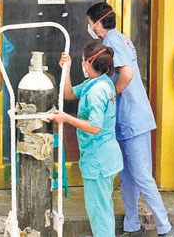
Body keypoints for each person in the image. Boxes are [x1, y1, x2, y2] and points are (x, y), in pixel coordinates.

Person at [85, 2, 174, 237]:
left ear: (98, 23)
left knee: (141, 176)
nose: (90, 28)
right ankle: (132, 225)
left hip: (133, 118)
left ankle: (166, 228)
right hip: (129, 118)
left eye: (90, 23)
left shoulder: (112, 42)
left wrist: (111, 94)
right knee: (127, 177)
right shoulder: (122, 39)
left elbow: (126, 74)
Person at [49, 42, 123, 237]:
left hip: (99, 159)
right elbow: (69, 94)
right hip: (103, 157)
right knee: (103, 208)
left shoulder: (98, 90)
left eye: (82, 60)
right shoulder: (99, 81)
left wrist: (65, 118)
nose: (81, 64)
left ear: (90, 63)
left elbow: (95, 127)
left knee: (99, 211)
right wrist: (66, 68)